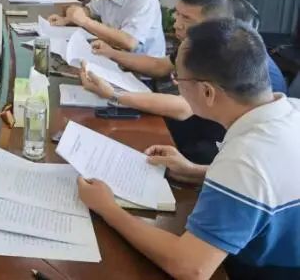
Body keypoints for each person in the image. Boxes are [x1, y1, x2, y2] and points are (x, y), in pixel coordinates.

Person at [78, 19, 300, 279]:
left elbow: (191, 268)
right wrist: (196, 171)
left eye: (178, 78)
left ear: (207, 92)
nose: (176, 85)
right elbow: (268, 185)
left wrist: (107, 208)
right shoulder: (291, 110)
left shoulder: (244, 160)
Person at [79, 0, 287, 163]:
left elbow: (183, 108)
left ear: (216, 21)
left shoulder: (227, 51)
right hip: (204, 119)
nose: (176, 24)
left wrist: (114, 94)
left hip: (221, 144)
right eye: (177, 14)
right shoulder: (209, 38)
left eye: (187, 19)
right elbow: (160, 66)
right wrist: (111, 53)